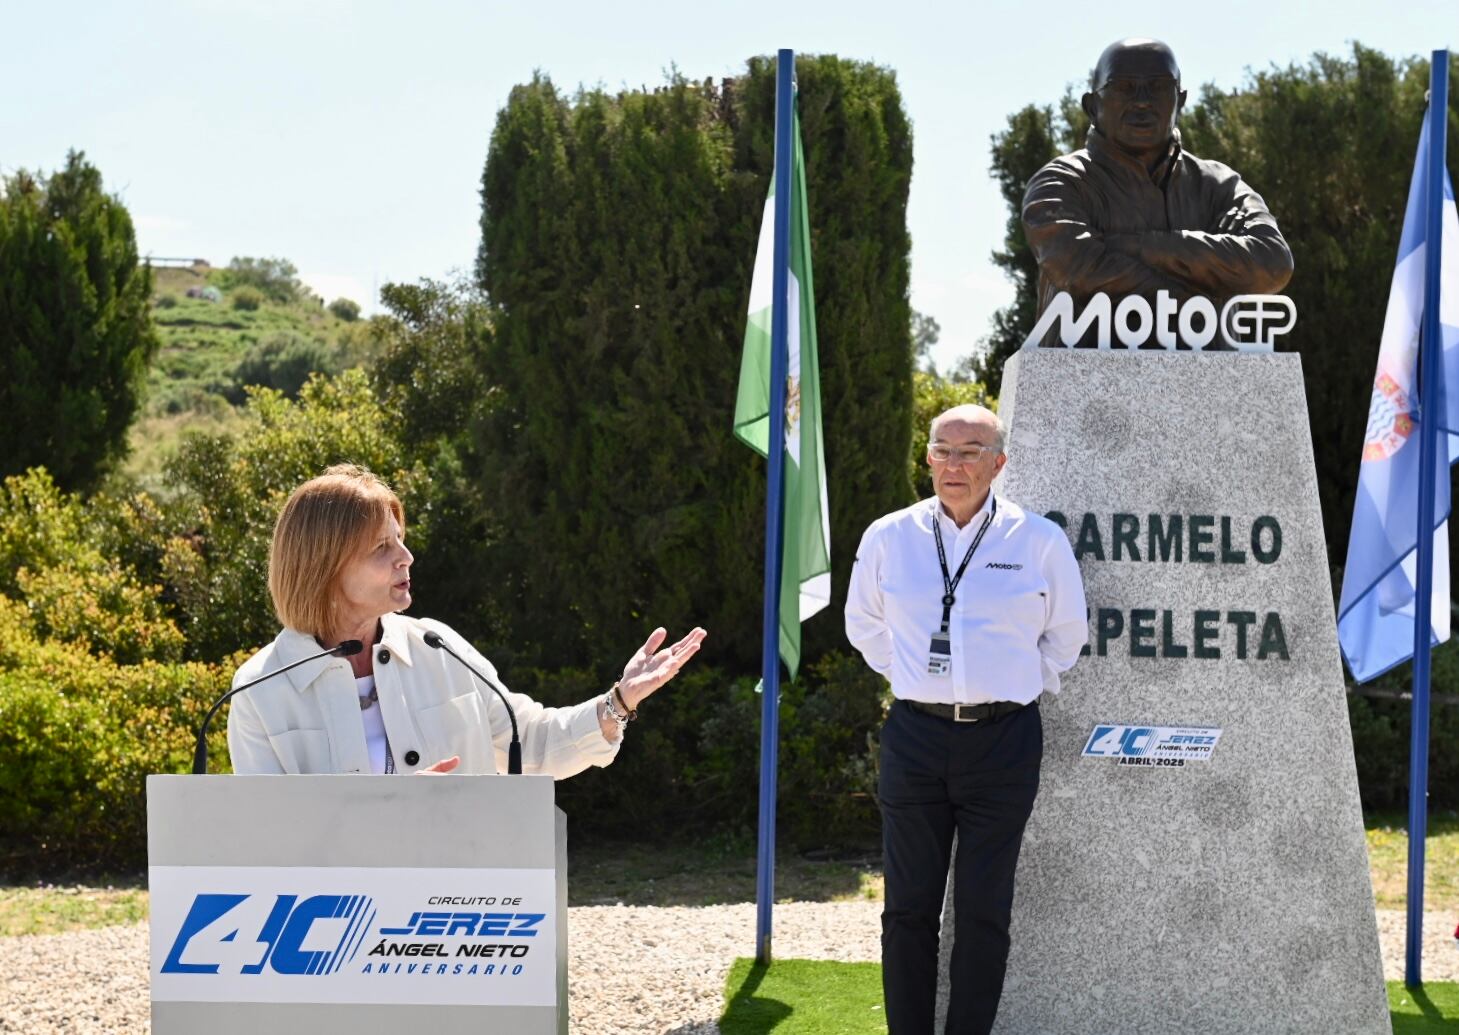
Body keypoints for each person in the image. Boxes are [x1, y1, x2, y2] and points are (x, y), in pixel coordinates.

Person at [845, 405, 1087, 1034]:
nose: (954, 464)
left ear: (998, 463)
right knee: (908, 909)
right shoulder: (888, 537)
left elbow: (1065, 635)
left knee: (984, 909)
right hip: (915, 739)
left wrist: (1016, 688)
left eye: (971, 451)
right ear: (926, 458)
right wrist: (912, 675)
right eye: (942, 450)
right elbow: (863, 624)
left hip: (1004, 742)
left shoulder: (1038, 541)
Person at [228, 464, 706, 776]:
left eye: (401, 539)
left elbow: (532, 744)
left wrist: (619, 701)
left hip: (456, 916)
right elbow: (274, 844)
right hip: (334, 927)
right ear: (322, 566)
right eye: (382, 547)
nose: (407, 557)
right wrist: (395, 813)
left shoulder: (440, 647)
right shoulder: (258, 690)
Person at [1023, 38, 1293, 345]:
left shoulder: (1218, 185)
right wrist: (1193, 298)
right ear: (1092, 106)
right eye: (1124, 86)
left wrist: (1142, 246)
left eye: (1158, 87)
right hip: (1079, 381)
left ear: (1180, 101)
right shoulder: (1061, 183)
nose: (1142, 101)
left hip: (1205, 381)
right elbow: (1077, 266)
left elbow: (1273, 263)